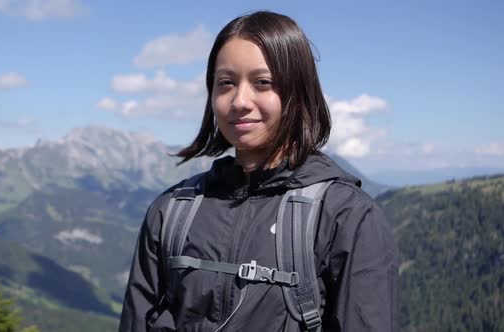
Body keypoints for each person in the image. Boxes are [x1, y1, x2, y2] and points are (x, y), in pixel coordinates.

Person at [119, 10, 398, 332]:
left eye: (262, 83)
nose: (239, 100)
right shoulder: (169, 213)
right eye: (225, 83)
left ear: (298, 91)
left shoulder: (347, 217)